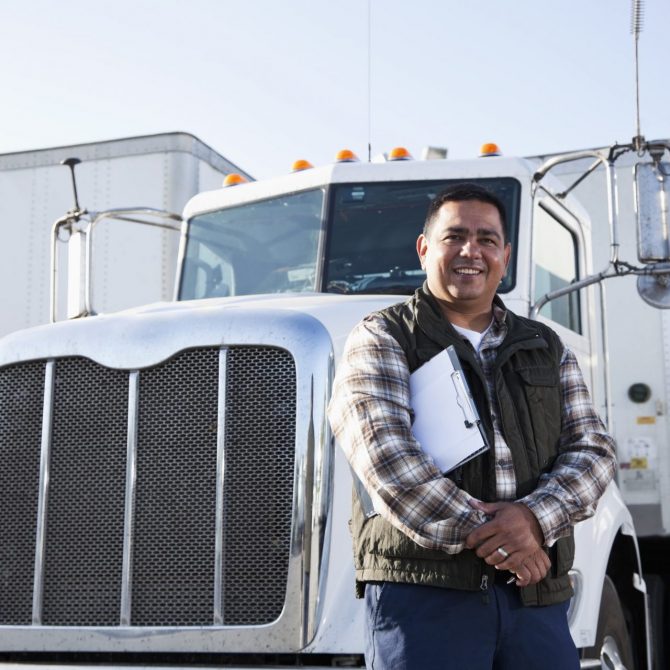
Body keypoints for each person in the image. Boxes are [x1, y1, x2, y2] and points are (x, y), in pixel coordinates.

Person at [327, 183, 616, 670]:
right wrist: (507, 540)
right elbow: (386, 459)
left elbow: (593, 451)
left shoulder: (546, 346)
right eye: (454, 236)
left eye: (486, 239)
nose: (470, 251)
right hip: (426, 597)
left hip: (534, 597)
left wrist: (531, 521)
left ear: (505, 254)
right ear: (424, 249)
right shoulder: (383, 335)